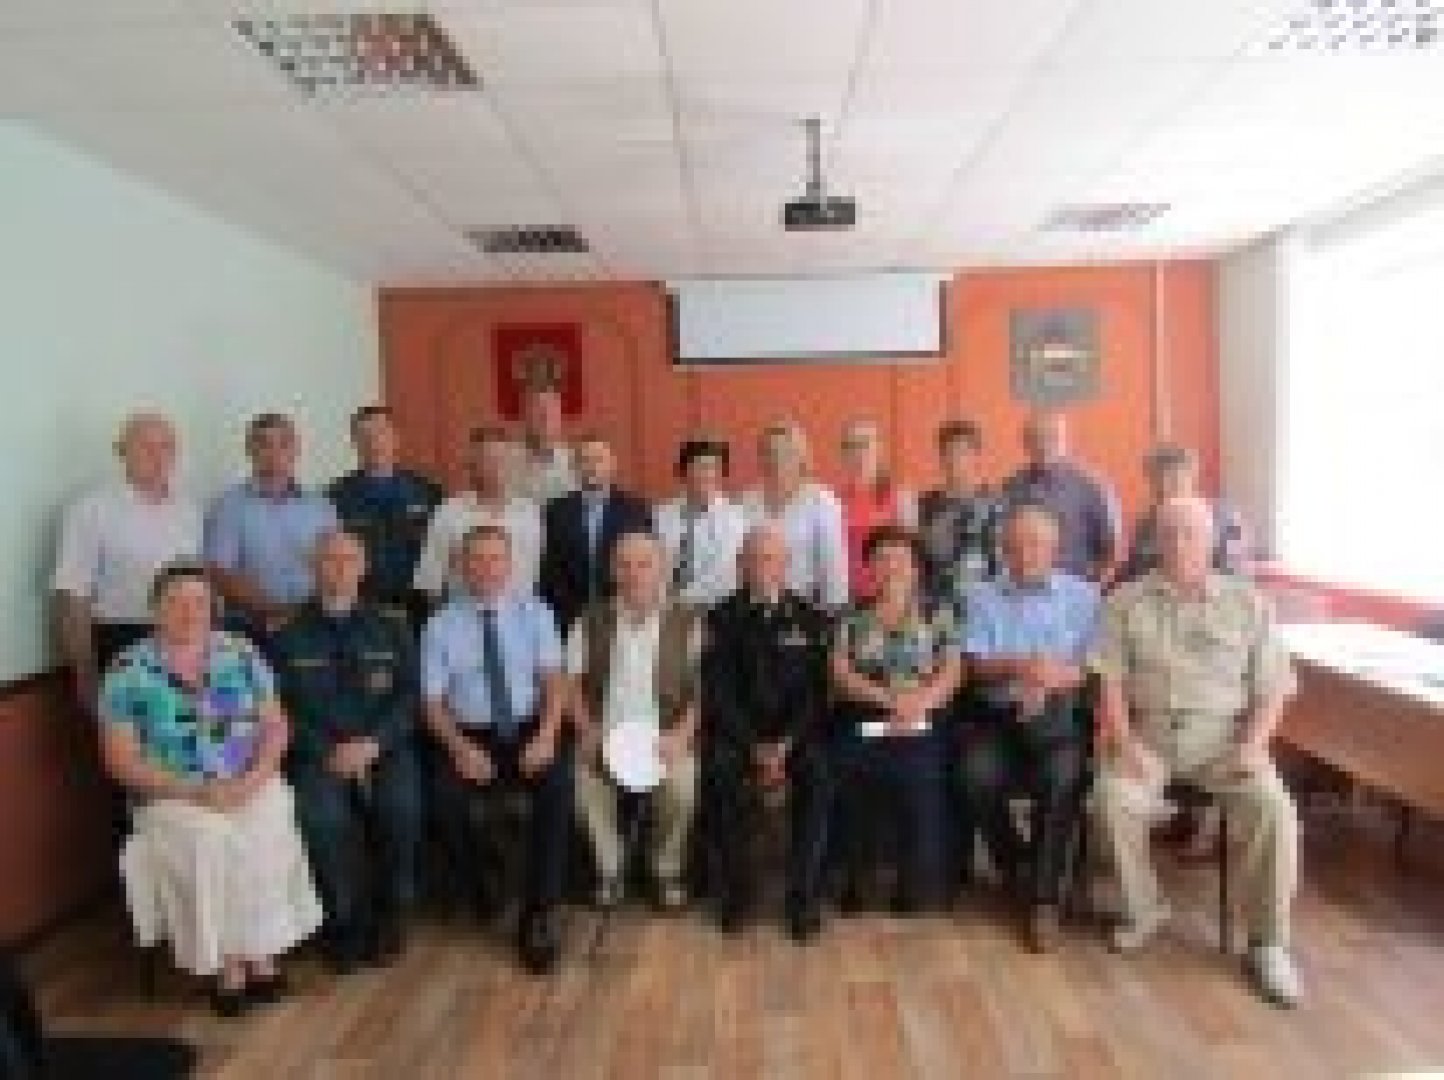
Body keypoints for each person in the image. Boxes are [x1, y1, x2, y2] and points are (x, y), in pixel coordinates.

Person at [1093, 495, 1302, 1007]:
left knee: (1274, 807)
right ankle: (1144, 909)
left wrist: (1254, 745)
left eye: (1190, 533)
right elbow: (1111, 683)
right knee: (1111, 797)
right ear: (1154, 541)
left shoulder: (1249, 603)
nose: (1179, 543)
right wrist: (1125, 743)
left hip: (1225, 742)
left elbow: (1275, 688)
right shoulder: (1124, 602)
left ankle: (1268, 943)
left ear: (1211, 542)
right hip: (1150, 739)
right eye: (1168, 533)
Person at [97, 562, 321, 1017]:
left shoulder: (241, 653)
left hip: (246, 778)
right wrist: (196, 790)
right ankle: (227, 964)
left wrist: (253, 779)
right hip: (170, 792)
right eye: (176, 601)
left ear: (213, 608)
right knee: (210, 839)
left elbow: (275, 726)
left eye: (199, 601)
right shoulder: (127, 670)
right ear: (154, 609)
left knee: (267, 821)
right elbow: (120, 762)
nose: (190, 611)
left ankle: (261, 952)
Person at [421, 525, 573, 973]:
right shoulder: (440, 624)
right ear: (461, 566)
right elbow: (432, 702)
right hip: (469, 733)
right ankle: (480, 882)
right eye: (477, 559)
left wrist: (547, 736)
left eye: (496, 559)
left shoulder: (537, 613)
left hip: (529, 728)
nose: (487, 568)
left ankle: (540, 911)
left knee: (557, 787)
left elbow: (554, 683)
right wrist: (459, 747)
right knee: (444, 799)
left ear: (510, 565)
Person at [272, 530, 423, 972]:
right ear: (313, 568)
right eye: (329, 560)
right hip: (318, 751)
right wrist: (325, 749)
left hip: (383, 746)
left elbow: (411, 698)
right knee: (322, 819)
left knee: (401, 807)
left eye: (348, 560)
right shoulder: (286, 634)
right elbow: (277, 708)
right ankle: (342, 920)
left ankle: (392, 911)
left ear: (363, 567)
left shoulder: (393, 627)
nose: (339, 569)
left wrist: (374, 743)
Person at [955, 502, 1100, 951]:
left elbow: (1096, 665)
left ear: (1054, 547)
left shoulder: (1085, 596)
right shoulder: (981, 595)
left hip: (1059, 716)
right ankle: (1017, 863)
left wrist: (1052, 679)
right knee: (972, 774)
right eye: (1014, 546)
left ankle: (1043, 902)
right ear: (1002, 549)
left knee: (1062, 778)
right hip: (998, 717)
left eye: (1034, 544)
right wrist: (1022, 666)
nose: (1024, 554)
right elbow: (975, 665)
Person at [700, 523, 833, 940]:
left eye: (771, 558)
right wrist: (754, 746)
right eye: (754, 559)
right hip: (739, 735)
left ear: (785, 564)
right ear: (741, 564)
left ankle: (803, 896)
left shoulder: (812, 618)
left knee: (819, 776)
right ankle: (737, 892)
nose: (762, 567)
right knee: (719, 773)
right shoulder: (719, 617)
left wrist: (787, 744)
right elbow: (717, 692)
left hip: (797, 735)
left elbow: (817, 693)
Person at [830, 525, 961, 913]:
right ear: (869, 567)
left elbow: (952, 671)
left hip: (924, 713)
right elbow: (840, 673)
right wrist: (888, 699)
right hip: (865, 710)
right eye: (881, 558)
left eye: (900, 559)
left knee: (920, 773)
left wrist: (920, 703)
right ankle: (858, 875)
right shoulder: (851, 614)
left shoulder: (938, 612)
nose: (891, 566)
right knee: (851, 766)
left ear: (916, 567)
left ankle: (917, 879)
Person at [567, 531, 701, 911]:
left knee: (682, 786)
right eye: (624, 565)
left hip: (665, 737)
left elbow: (703, 691)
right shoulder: (589, 619)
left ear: (662, 569)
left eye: (644, 564)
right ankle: (611, 871)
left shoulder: (689, 621)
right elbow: (570, 683)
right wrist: (586, 730)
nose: (634, 574)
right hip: (605, 733)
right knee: (582, 782)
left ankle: (665, 871)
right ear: (612, 571)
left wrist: (682, 735)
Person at [53, 411, 203, 712]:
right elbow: (73, 597)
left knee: (181, 729)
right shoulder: (91, 510)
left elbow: (195, 582)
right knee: (129, 734)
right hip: (122, 640)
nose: (158, 456)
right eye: (146, 447)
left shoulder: (189, 509)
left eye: (166, 447)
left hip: (183, 641)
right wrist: (85, 673)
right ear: (121, 451)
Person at [205, 413, 339, 644]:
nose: (275, 453)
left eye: (284, 444)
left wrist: (306, 613)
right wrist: (274, 611)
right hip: (252, 626)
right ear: (250, 450)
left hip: (314, 624)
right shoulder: (228, 506)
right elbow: (220, 573)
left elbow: (336, 565)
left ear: (296, 449)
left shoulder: (321, 506)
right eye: (264, 444)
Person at [326, 405, 443, 627]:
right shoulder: (336, 497)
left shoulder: (428, 492)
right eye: (365, 435)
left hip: (418, 607)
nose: (374, 442)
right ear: (354, 443)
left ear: (395, 438)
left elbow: (439, 553)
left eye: (381, 433)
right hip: (363, 608)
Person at [413, 425, 542, 604]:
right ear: (472, 465)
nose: (497, 467)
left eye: (502, 458)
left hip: (519, 617)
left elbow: (533, 577)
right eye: (488, 459)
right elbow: (430, 581)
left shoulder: (530, 513)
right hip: (462, 614)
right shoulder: (449, 512)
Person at [538, 433, 652, 630]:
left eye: (599, 459)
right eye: (585, 460)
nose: (592, 466)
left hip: (621, 614)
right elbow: (551, 569)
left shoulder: (636, 510)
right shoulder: (556, 510)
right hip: (569, 616)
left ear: (612, 465)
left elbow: (644, 567)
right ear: (575, 467)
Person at [1001, 409, 1120, 582]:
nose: (1043, 445)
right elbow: (1003, 541)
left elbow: (1110, 548)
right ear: (1026, 443)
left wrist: (1092, 589)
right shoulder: (1011, 487)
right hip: (1023, 589)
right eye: (1036, 438)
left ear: (1065, 440)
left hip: (1076, 588)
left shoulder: (1093, 486)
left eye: (1052, 437)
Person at [740, 420, 848, 609]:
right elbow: (739, 561)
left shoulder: (821, 501)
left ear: (801, 457)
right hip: (753, 606)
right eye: (769, 452)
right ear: (760, 458)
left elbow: (833, 567)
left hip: (805, 608)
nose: (776, 459)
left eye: (785, 452)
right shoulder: (746, 501)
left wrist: (832, 612)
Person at [1117, 444, 1248, 583]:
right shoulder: (1146, 525)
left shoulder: (1224, 518)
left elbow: (1233, 572)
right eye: (1158, 484)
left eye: (1174, 482)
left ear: (1192, 478)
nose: (1166, 489)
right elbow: (1133, 574)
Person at [916, 418, 1002, 607]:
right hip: (936, 606)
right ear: (941, 457)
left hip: (983, 605)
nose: (955, 459)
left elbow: (1002, 563)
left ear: (976, 456)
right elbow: (918, 560)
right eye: (948, 452)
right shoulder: (925, 505)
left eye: (963, 452)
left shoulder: (996, 505)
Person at [654, 437, 748, 609]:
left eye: (712, 468)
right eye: (698, 467)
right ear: (684, 472)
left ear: (721, 474)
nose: (706, 474)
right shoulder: (662, 515)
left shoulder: (738, 518)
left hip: (721, 607)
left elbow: (735, 572)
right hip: (672, 607)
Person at [838, 417, 916, 601]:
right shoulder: (834, 502)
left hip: (887, 600)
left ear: (878, 448)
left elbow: (910, 560)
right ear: (844, 454)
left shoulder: (901, 499)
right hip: (847, 600)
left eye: (865, 444)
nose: (858, 452)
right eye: (851, 446)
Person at [514, 384, 577, 504]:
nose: (546, 416)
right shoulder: (506, 460)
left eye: (552, 409)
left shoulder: (576, 461)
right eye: (538, 409)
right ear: (525, 415)